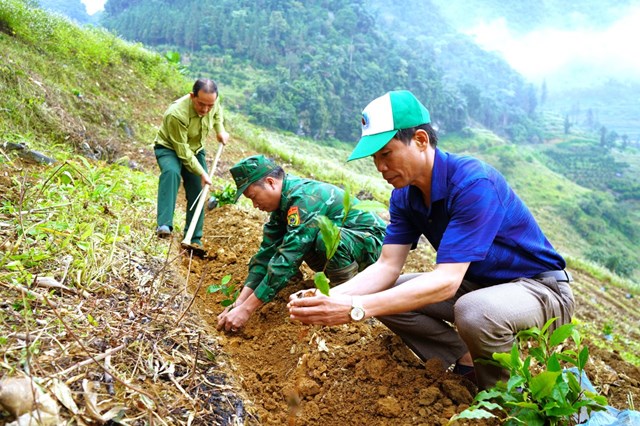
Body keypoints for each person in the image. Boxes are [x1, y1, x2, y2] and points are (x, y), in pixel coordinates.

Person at [287, 90, 575, 389]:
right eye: (375, 158)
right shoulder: (404, 196)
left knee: (473, 312)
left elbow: (447, 282)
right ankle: (465, 360)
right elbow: (386, 267)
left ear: (421, 141)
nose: (380, 167)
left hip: (539, 289)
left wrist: (356, 308)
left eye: (386, 154)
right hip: (478, 284)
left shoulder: (473, 184)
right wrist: (328, 299)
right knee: (393, 292)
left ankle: (505, 399)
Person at [217, 155, 386, 333]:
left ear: (271, 182)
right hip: (351, 248)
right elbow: (265, 255)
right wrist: (239, 303)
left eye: (253, 197)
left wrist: (246, 310)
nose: (254, 205)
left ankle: (348, 299)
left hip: (374, 246)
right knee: (300, 244)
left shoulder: (305, 200)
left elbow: (289, 257)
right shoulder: (281, 207)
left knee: (319, 240)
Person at [154, 78, 230, 247]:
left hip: (195, 149)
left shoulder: (213, 103)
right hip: (170, 148)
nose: (205, 109)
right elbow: (182, 151)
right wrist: (202, 172)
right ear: (192, 96)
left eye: (209, 105)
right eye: (201, 104)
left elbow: (217, 114)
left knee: (198, 188)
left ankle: (193, 238)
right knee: (171, 173)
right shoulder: (176, 114)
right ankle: (164, 224)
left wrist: (220, 131)